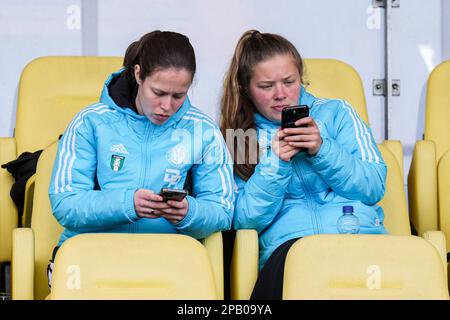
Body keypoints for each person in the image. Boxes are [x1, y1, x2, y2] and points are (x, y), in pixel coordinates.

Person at [48, 31, 234, 286]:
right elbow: (65, 203)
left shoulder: (203, 130)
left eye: (178, 96)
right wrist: (127, 204)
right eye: (158, 92)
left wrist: (188, 212)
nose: (167, 106)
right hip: (92, 254)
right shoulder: (90, 122)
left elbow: (222, 210)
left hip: (167, 258)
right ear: (137, 74)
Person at [220, 30, 387, 300]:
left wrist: (322, 150)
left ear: (301, 77)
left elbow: (373, 186)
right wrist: (276, 163)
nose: (281, 94)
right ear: (246, 89)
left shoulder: (338, 113)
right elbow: (243, 219)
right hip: (291, 254)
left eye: (289, 81)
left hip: (357, 240)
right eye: (266, 86)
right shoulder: (240, 135)